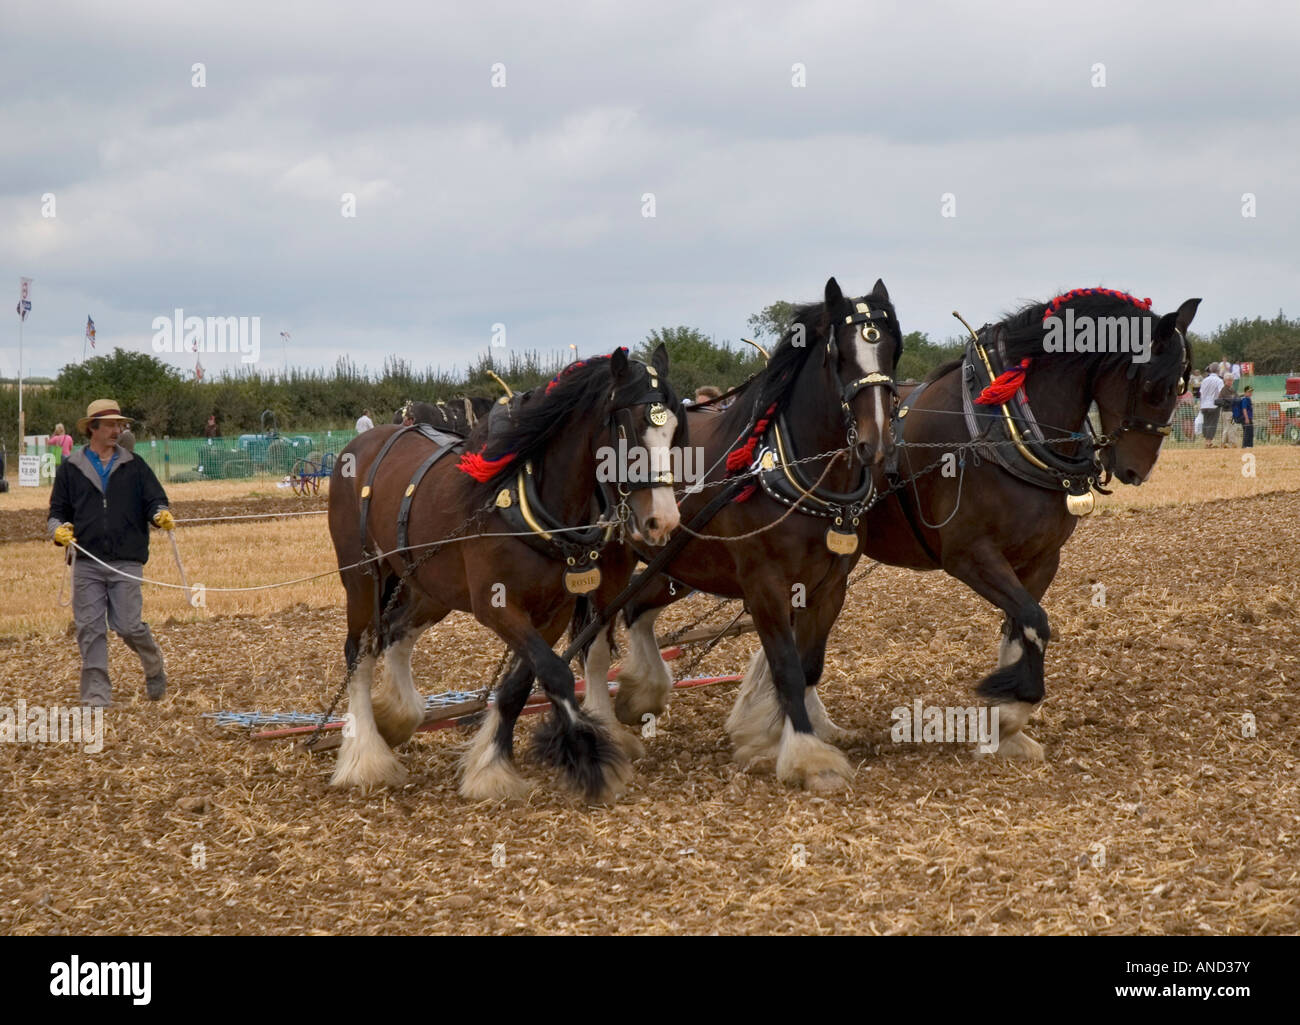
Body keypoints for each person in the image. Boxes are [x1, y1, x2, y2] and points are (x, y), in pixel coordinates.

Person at [47, 399, 174, 706]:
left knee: (128, 625)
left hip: (126, 560)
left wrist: (159, 514)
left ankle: (153, 663)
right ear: (93, 428)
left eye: (120, 425)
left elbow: (156, 500)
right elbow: (56, 512)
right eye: (111, 425)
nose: (118, 430)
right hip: (86, 561)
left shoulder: (135, 465)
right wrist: (58, 532)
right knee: (90, 630)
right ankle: (96, 698)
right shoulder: (71, 469)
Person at [1198, 364, 1223, 448]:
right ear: (1218, 370)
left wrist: (1201, 404)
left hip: (1204, 405)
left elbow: (1201, 393)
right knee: (1212, 423)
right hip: (1213, 405)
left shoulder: (1205, 380)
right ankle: (1208, 442)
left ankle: (1206, 441)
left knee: (1206, 423)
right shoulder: (1219, 380)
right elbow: (1221, 392)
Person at [1218, 374, 1238, 447]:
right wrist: (1234, 398)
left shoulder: (1231, 389)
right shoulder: (1224, 389)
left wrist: (1235, 398)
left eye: (1231, 380)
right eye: (1228, 380)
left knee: (1229, 427)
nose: (1230, 382)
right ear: (1225, 381)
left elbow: (1236, 397)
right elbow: (1230, 399)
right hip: (1227, 411)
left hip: (1231, 411)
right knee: (1230, 427)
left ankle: (1224, 443)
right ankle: (1232, 442)